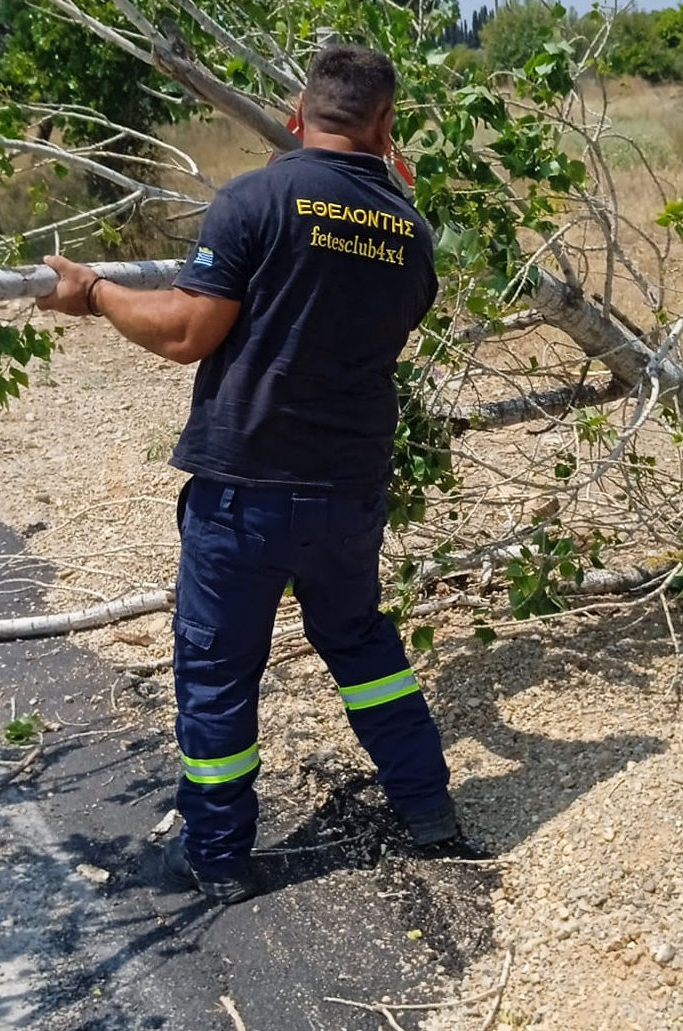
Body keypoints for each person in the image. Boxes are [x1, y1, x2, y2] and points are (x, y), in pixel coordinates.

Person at [35, 44, 458, 904]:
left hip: (247, 490)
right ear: (386, 126)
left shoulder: (256, 198)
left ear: (298, 115)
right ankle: (429, 810)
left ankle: (219, 854)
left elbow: (187, 333)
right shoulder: (411, 232)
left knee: (220, 668)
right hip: (346, 492)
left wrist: (96, 294)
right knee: (362, 646)